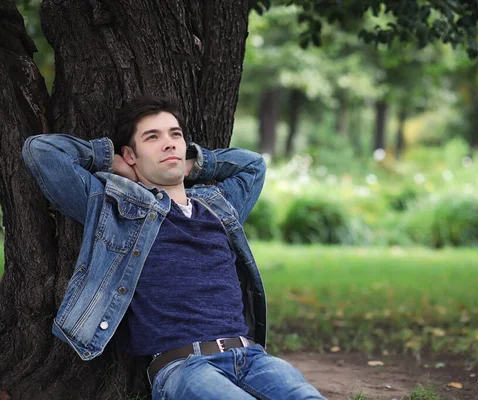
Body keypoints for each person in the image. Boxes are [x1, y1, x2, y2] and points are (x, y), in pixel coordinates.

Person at [22, 96, 326, 400]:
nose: (168, 144)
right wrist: (111, 161)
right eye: (152, 137)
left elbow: (253, 165)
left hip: (252, 358)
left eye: (175, 135)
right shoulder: (116, 210)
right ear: (130, 154)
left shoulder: (220, 206)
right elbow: (42, 151)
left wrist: (191, 166)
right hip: (185, 367)